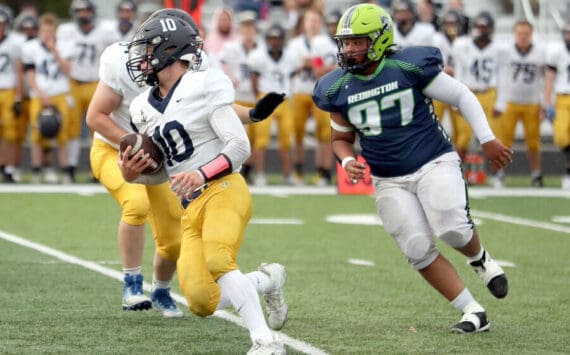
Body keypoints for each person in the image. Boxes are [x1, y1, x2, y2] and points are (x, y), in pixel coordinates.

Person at [313, 3, 511, 333]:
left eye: (356, 42)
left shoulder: (407, 65)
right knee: (417, 248)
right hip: (387, 177)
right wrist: (348, 161)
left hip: (433, 160)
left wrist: (487, 138)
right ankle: (472, 311)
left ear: (378, 40)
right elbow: (340, 139)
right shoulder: (336, 87)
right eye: (345, 42)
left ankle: (479, 259)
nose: (348, 49)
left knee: (453, 228)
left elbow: (461, 95)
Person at [87, 8, 287, 320]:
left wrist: (252, 114)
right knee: (136, 204)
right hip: (116, 148)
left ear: (172, 50)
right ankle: (131, 283)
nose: (140, 56)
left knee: (172, 242)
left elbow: (211, 107)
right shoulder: (119, 61)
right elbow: (94, 116)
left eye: (149, 47)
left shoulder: (193, 69)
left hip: (163, 159)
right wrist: (140, 146)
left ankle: (163, 290)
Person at [56, 0, 115, 182]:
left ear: (92, 12)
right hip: (74, 83)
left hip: (96, 84)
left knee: (97, 128)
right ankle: (71, 168)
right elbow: (64, 62)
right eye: (80, 10)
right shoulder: (67, 32)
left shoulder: (104, 33)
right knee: (71, 128)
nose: (83, 14)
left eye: (86, 10)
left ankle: (96, 170)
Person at [22, 13, 74, 184]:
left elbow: (67, 70)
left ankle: (66, 171)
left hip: (60, 93)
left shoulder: (65, 46)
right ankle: (37, 171)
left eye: (51, 31)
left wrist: (55, 50)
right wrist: (41, 95)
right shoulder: (30, 47)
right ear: (39, 31)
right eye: (45, 31)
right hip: (39, 94)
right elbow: (30, 75)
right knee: (37, 133)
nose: (47, 34)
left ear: (56, 31)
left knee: (62, 133)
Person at [451, 11, 502, 186]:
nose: (482, 30)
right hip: (468, 93)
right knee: (463, 137)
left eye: (485, 27)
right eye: (479, 26)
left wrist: (501, 101)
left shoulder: (498, 48)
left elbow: (501, 75)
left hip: (489, 93)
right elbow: (459, 72)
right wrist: (456, 98)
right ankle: (458, 174)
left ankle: (497, 174)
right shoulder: (462, 45)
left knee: (493, 136)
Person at [494, 20, 545, 187]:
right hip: (510, 101)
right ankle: (500, 174)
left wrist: (543, 103)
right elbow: (499, 77)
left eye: (526, 33)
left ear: (531, 34)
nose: (523, 37)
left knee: (533, 142)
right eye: (520, 33)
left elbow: (545, 79)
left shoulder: (540, 52)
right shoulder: (505, 51)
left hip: (532, 102)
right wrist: (500, 101)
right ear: (514, 34)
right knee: (504, 141)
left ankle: (536, 174)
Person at [288, 8, 334, 186]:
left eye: (315, 20)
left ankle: (323, 171)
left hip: (319, 91)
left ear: (320, 23)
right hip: (299, 90)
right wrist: (302, 66)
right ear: (303, 22)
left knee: (324, 133)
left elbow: (334, 68)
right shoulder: (295, 44)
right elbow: (287, 70)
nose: (312, 24)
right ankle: (297, 170)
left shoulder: (326, 43)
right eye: (309, 20)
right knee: (297, 133)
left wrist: (317, 66)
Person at [248, 23, 296, 186]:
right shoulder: (259, 56)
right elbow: (254, 79)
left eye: (277, 38)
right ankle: (260, 174)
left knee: (287, 139)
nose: (275, 42)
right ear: (267, 39)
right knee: (261, 139)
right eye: (272, 38)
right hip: (266, 97)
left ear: (282, 40)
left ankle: (288, 175)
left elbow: (293, 75)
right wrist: (259, 98)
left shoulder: (290, 55)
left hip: (283, 100)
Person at [544, 23, 570, 190]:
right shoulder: (557, 50)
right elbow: (549, 78)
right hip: (563, 98)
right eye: (568, 33)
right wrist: (547, 102)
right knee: (561, 137)